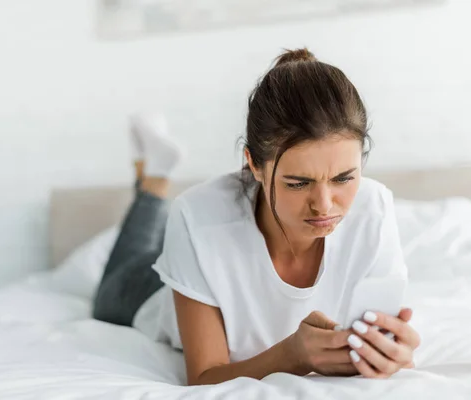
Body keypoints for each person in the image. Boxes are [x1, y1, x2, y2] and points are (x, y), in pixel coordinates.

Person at [93, 48, 420, 385]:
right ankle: (154, 182)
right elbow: (205, 378)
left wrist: (393, 355)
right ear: (253, 164)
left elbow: (383, 347)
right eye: (298, 183)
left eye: (343, 178)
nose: (324, 206)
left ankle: (150, 172)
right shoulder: (197, 217)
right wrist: (293, 355)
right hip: (150, 291)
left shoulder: (375, 209)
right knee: (105, 296)